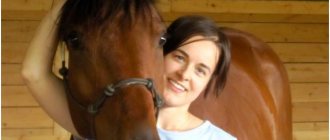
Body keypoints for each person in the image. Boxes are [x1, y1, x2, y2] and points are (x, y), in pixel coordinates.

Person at [21, 0, 236, 139]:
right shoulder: (103, 126)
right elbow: (33, 73)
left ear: (210, 80)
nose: (185, 74)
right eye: (179, 57)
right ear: (158, 57)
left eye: (201, 70)